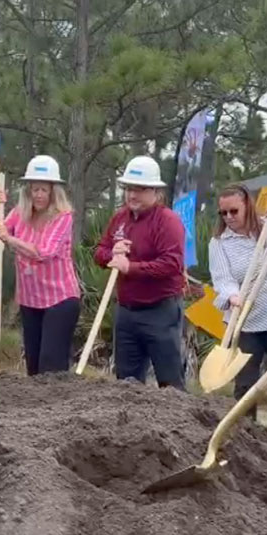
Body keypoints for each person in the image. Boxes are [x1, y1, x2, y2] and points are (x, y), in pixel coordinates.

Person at [207, 184, 267, 428]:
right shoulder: (219, 243)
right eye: (223, 213)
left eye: (234, 211)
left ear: (247, 207)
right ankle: (248, 437)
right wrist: (232, 297)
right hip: (245, 321)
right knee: (245, 383)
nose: (228, 218)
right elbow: (222, 279)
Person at [93, 155, 186, 389]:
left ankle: (175, 424)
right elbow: (100, 252)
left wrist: (130, 268)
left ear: (155, 192)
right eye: (128, 189)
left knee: (170, 381)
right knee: (126, 383)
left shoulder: (168, 221)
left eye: (140, 189)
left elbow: (171, 263)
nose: (132, 195)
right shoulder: (119, 218)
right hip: (127, 311)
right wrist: (111, 255)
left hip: (160, 311)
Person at [0, 155, 80, 375]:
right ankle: (37, 410)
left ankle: (58, 407)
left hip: (60, 299)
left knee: (51, 364)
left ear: (53, 192)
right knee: (33, 365)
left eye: (44, 190)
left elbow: (44, 252)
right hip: (31, 300)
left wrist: (10, 240)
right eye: (35, 189)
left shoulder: (62, 217)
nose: (38, 195)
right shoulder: (19, 214)